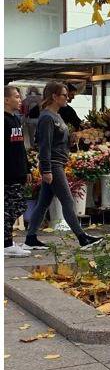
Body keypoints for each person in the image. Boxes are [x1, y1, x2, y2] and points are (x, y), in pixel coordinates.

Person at [23, 81, 101, 250]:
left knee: (43, 203)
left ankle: (31, 237)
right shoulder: (47, 117)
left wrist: (70, 139)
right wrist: (47, 169)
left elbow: (57, 142)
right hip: (53, 164)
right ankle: (82, 237)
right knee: (67, 201)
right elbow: (44, 146)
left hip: (57, 161)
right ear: (54, 96)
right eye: (64, 95)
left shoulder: (56, 116)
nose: (68, 98)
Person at [5, 85, 32, 256]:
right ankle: (6, 244)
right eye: (16, 96)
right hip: (8, 174)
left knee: (17, 207)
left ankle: (8, 241)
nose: (20, 100)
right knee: (8, 209)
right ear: (5, 99)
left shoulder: (15, 119)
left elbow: (20, 148)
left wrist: (27, 168)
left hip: (18, 173)